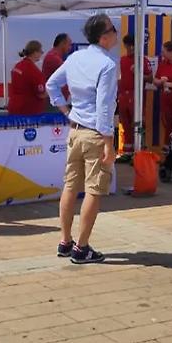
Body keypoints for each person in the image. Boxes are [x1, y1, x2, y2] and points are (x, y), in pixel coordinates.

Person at [46, 15, 119, 265]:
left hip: (75, 130)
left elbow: (51, 84)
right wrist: (109, 143)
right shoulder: (107, 64)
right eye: (113, 29)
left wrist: (66, 110)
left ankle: (65, 241)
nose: (116, 33)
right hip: (95, 133)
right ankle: (82, 247)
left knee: (70, 186)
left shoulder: (75, 57)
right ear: (104, 36)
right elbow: (104, 106)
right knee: (93, 190)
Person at [116, 34, 152, 159]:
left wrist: (138, 72)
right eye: (128, 46)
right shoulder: (122, 60)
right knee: (125, 123)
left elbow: (150, 78)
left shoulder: (142, 60)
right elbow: (119, 78)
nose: (130, 48)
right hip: (123, 95)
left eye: (132, 46)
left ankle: (139, 151)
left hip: (136, 94)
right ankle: (127, 152)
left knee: (138, 123)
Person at [7, 40, 48, 116]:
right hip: (28, 112)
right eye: (41, 52)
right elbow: (41, 94)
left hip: (14, 107)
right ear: (35, 52)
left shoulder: (17, 66)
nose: (41, 54)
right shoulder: (34, 71)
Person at [42, 33, 72, 100]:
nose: (70, 48)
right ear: (62, 44)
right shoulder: (53, 58)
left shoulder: (55, 56)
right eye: (69, 45)